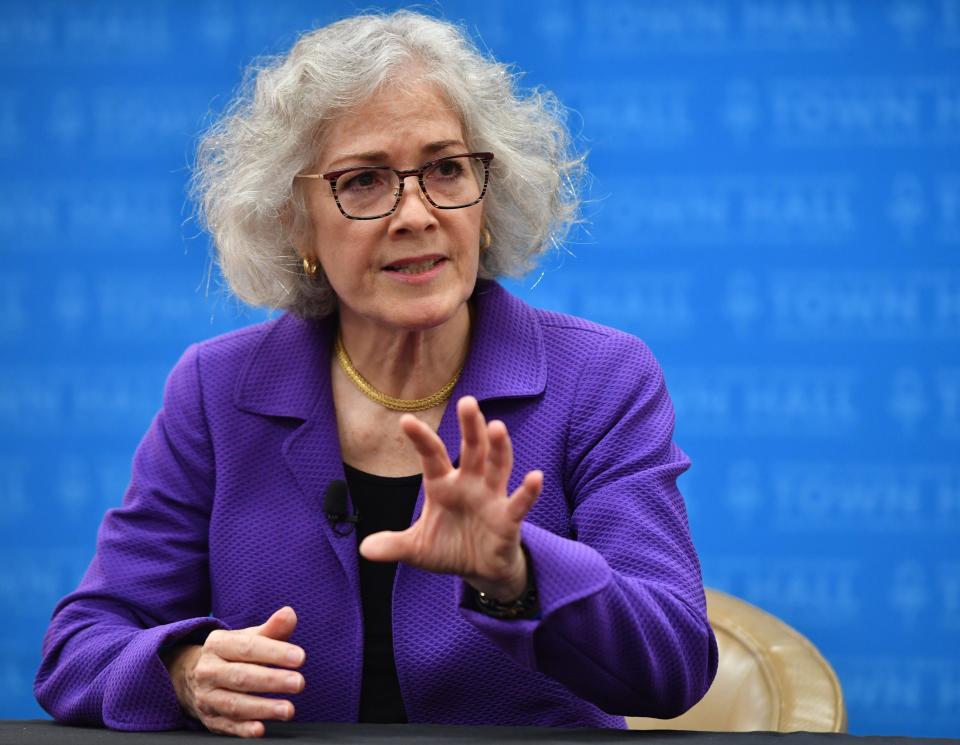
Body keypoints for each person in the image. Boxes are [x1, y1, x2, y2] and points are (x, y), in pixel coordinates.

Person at [34, 10, 718, 738]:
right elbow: (78, 648)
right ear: (295, 221)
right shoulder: (216, 392)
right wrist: (182, 667)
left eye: (446, 168)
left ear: (486, 197)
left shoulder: (599, 379)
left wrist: (516, 571)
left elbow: (673, 657)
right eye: (364, 181)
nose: (416, 213)